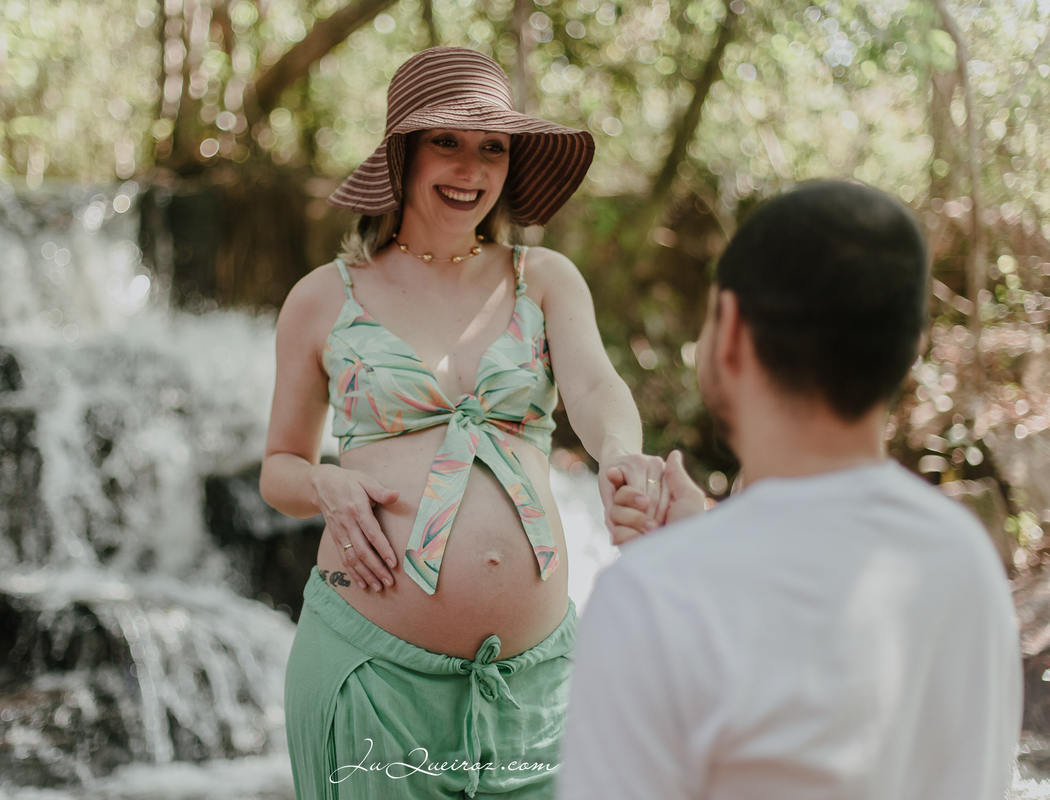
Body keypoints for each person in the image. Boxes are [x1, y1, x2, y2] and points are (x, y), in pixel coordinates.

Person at [261, 46, 671, 799]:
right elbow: (279, 467)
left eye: (493, 148)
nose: (471, 168)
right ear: (402, 155)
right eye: (446, 141)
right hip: (373, 674)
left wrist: (622, 455)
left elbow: (593, 383)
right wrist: (324, 485)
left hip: (540, 691)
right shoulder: (323, 298)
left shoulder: (543, 279)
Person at [559, 181, 1023, 799]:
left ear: (729, 334)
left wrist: (690, 558)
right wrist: (706, 539)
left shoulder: (650, 598)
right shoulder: (963, 560)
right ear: (911, 350)